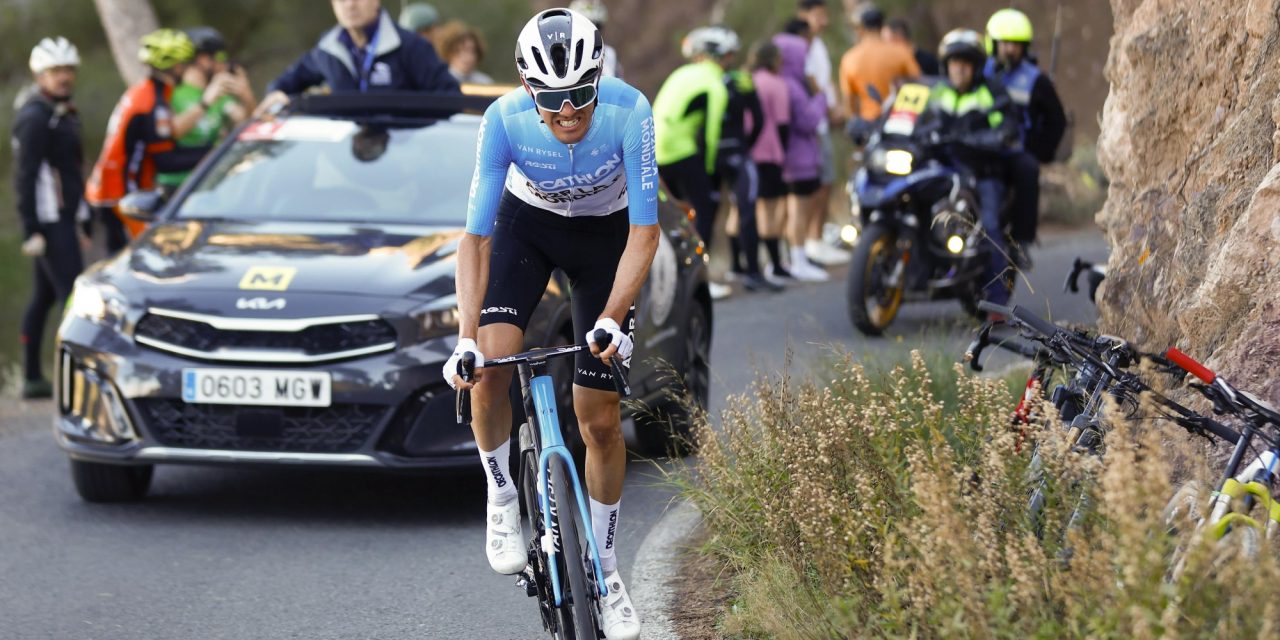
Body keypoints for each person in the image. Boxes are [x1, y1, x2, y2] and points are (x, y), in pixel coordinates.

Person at [446, 9, 654, 640]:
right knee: (487, 373)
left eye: (581, 96)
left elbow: (645, 233)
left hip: (606, 240)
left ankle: (609, 572)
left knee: (599, 419)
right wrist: (463, 336)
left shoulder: (631, 110)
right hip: (526, 230)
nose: (569, 114)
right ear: (527, 89)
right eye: (554, 101)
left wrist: (614, 319)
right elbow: (475, 239)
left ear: (598, 80)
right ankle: (503, 496)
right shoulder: (502, 119)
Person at [85, 29, 219, 251]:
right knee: (142, 257)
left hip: (115, 190)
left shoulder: (146, 92)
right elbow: (167, 160)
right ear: (176, 67)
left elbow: (167, 147)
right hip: (120, 194)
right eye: (186, 64)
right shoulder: (152, 104)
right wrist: (215, 155)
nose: (187, 70)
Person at [923, 29, 1021, 308]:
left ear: (976, 66)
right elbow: (918, 119)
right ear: (946, 65)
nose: (959, 68)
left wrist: (987, 138)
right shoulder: (937, 91)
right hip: (942, 170)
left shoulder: (991, 92)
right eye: (954, 62)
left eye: (965, 62)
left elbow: (1008, 126)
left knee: (989, 227)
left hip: (982, 171)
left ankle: (999, 302)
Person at [13, 37, 87, 399]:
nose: (64, 77)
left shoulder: (64, 113)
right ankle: (73, 379)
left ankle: (31, 377)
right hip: (48, 222)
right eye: (56, 71)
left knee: (43, 298)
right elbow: (25, 176)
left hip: (64, 218)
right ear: (41, 75)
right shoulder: (34, 118)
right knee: (71, 297)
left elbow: (71, 170)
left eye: (68, 70)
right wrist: (32, 228)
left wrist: (83, 217)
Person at [257, 0, 459, 115]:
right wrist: (276, 92)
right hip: (342, 164)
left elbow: (451, 98)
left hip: (403, 167)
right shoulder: (327, 48)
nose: (350, 5)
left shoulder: (411, 46)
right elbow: (287, 82)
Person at [984, 7, 1068, 265]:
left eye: (1015, 44)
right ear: (993, 43)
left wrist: (1037, 150)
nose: (1009, 49)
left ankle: (1021, 240)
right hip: (979, 145)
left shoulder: (1035, 80)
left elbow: (1057, 120)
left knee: (1028, 171)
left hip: (1015, 150)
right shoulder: (978, 72)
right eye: (1005, 43)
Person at [654, 26, 731, 299]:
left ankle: (669, 278)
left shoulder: (680, 73)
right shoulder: (715, 83)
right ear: (722, 57)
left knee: (669, 214)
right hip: (681, 150)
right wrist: (710, 170)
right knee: (705, 209)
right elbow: (712, 134)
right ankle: (701, 280)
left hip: (656, 150)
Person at [702, 28, 782, 293]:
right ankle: (752, 273)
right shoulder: (741, 80)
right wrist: (745, 144)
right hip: (737, 152)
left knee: (708, 214)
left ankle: (707, 275)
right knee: (747, 211)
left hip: (711, 155)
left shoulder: (701, 79)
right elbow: (758, 119)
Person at [156, 27, 256, 191]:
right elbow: (172, 131)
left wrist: (247, 95)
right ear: (203, 59)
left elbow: (247, 123)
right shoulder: (173, 92)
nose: (224, 64)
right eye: (221, 57)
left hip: (208, 184)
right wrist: (205, 103)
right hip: (175, 187)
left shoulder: (220, 94)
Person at [774, 26, 831, 282]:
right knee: (798, 210)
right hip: (799, 158)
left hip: (787, 158)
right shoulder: (793, 86)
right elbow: (807, 121)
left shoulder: (780, 82)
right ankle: (798, 259)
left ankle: (790, 258)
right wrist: (821, 98)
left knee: (790, 210)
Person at [796, 0, 850, 267]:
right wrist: (827, 109)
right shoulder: (803, 46)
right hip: (814, 123)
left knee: (827, 180)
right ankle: (811, 239)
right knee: (816, 183)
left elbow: (827, 80)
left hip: (824, 121)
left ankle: (816, 237)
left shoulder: (818, 44)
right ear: (803, 15)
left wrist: (838, 105)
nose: (823, 20)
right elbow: (811, 81)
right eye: (818, 14)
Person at [748, 40, 794, 281]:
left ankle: (740, 264)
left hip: (746, 152)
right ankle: (776, 264)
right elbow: (782, 123)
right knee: (772, 208)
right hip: (769, 151)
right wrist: (783, 152)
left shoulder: (748, 80)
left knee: (743, 208)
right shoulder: (777, 84)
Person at [838, 3, 921, 125]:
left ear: (860, 29)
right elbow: (919, 83)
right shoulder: (900, 52)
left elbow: (850, 102)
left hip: (869, 126)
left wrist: (855, 128)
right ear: (882, 26)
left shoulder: (849, 59)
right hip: (901, 122)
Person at [569, 0, 623, 78]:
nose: (590, 33)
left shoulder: (609, 54)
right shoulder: (566, 53)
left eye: (597, 27)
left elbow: (619, 84)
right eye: (584, 27)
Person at [434, 20, 494, 85]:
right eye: (459, 50)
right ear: (449, 53)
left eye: (472, 51)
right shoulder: (440, 81)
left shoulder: (485, 82)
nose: (467, 56)